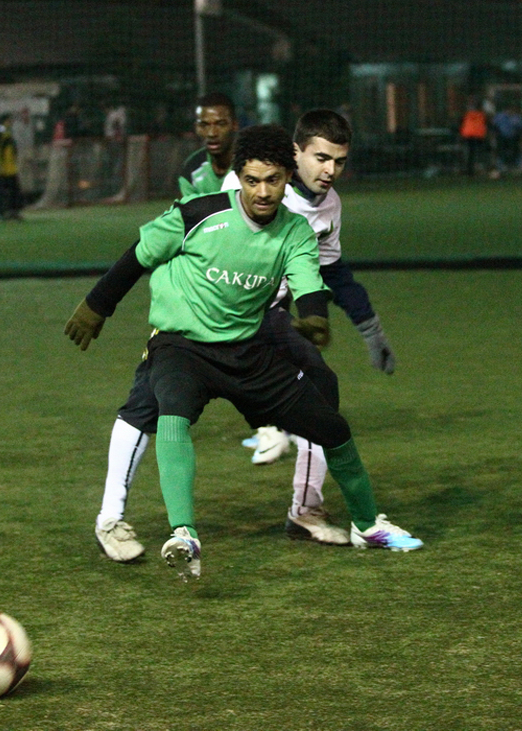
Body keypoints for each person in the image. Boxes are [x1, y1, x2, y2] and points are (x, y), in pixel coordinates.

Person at [65, 123, 423, 580]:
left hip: (247, 347)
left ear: (287, 179)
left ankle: (367, 526)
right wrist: (97, 305)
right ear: (238, 178)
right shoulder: (198, 214)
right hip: (181, 344)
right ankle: (183, 534)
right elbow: (139, 254)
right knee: (170, 410)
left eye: (273, 180)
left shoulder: (295, 232)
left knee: (331, 426)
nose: (263, 192)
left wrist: (314, 316)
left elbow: (308, 280)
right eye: (252, 180)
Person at [222, 110, 396, 545]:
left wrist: (371, 331)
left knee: (320, 396)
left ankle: (304, 509)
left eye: (339, 161)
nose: (330, 170)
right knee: (156, 409)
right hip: (213, 315)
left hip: (269, 319)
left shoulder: (329, 205)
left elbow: (334, 274)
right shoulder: (248, 187)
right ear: (295, 151)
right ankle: (116, 517)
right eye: (321, 158)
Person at [177, 92, 238, 197]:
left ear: (234, 125)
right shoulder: (191, 170)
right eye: (204, 125)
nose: (212, 133)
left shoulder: (253, 165)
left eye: (221, 124)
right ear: (196, 128)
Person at [0, 114, 23, 220]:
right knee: (3, 191)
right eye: (9, 120)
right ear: (5, 121)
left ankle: (12, 211)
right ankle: (3, 212)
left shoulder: (7, 132)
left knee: (13, 190)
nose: (11, 122)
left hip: (10, 167)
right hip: (3, 168)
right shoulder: (0, 132)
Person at [459, 98, 488, 177]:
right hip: (478, 136)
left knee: (470, 153)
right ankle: (478, 169)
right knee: (478, 153)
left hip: (468, 135)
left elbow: (461, 123)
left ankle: (470, 170)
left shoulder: (467, 114)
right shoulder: (482, 115)